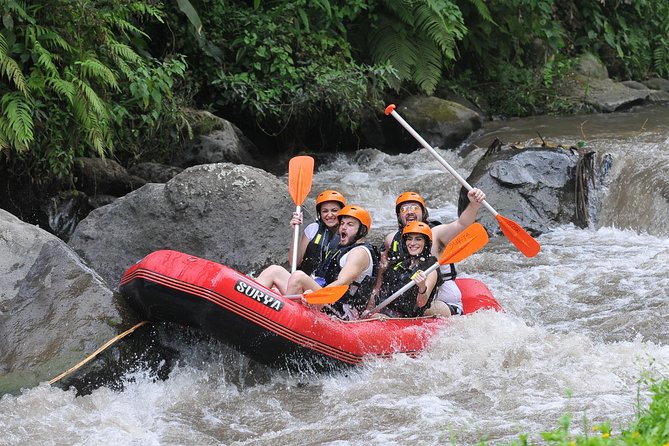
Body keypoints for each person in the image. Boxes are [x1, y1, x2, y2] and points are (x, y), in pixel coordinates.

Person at [256, 205, 379, 320]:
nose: (343, 227)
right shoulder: (344, 248)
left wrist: (315, 296)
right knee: (274, 270)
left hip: (342, 312)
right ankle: (249, 305)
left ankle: (281, 320)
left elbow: (342, 283)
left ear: (362, 230)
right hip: (328, 300)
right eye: (342, 223)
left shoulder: (360, 253)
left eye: (350, 224)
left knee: (298, 276)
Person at [375, 188, 485, 317]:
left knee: (417, 309)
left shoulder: (436, 234)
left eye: (415, 208)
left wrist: (474, 204)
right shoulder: (391, 239)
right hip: (409, 295)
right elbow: (384, 269)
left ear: (423, 212)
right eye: (404, 209)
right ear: (399, 216)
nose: (410, 212)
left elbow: (462, 224)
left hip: (440, 295)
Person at [365, 221, 441, 318]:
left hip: (406, 319)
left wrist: (422, 287)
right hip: (385, 312)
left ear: (426, 243)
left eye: (418, 239)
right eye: (409, 239)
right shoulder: (400, 262)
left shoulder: (430, 270)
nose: (413, 243)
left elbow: (421, 303)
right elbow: (379, 289)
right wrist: (368, 309)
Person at [288, 189, 346, 275]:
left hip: (329, 286)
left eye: (334, 210)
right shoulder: (313, 229)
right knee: (274, 270)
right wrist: (296, 231)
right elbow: (294, 263)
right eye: (325, 211)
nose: (329, 215)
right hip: (303, 281)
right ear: (319, 213)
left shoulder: (348, 234)